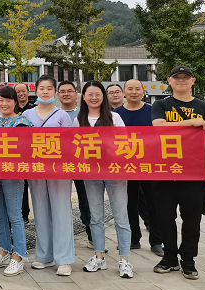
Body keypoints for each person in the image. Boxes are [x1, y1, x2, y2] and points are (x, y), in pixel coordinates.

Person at [152, 65, 205, 280]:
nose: (181, 80)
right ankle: (170, 257)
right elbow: (158, 126)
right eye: (177, 77)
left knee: (192, 219)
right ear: (169, 81)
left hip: (195, 173)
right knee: (165, 217)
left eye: (186, 77)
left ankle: (188, 260)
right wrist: (191, 122)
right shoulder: (160, 105)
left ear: (193, 81)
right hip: (164, 171)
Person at [73, 81, 133, 279]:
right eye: (89, 94)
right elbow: (73, 147)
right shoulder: (78, 120)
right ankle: (99, 257)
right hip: (91, 174)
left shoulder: (114, 117)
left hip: (115, 173)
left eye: (97, 94)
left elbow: (125, 144)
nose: (94, 98)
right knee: (96, 217)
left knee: (121, 217)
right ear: (83, 97)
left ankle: (124, 260)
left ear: (103, 96)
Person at [22, 75, 75, 276]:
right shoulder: (26, 114)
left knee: (61, 211)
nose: (45, 92)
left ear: (55, 92)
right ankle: (44, 255)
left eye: (49, 88)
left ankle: (64, 259)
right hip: (35, 168)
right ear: (35, 91)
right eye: (42, 88)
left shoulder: (62, 116)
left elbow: (69, 144)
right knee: (40, 210)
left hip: (59, 170)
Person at [0, 86, 34, 277]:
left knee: (15, 216)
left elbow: (25, 149)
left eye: (8, 100)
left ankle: (19, 255)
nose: (4, 104)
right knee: (0, 216)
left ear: (15, 102)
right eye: (1, 100)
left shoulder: (22, 122)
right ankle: (3, 250)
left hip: (13, 175)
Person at [114, 79, 163, 256]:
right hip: (125, 166)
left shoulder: (153, 111)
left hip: (150, 165)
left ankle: (156, 241)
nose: (134, 92)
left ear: (143, 92)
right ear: (123, 93)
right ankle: (133, 239)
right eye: (130, 89)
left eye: (137, 89)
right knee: (129, 204)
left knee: (153, 203)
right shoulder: (116, 114)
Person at [59, 80, 92, 246]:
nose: (66, 94)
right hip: (59, 166)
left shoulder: (84, 114)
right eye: (62, 91)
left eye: (69, 91)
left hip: (82, 164)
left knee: (86, 200)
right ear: (58, 95)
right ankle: (62, 238)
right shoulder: (54, 115)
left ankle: (92, 235)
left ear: (76, 93)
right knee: (61, 201)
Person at [14, 83, 35, 222]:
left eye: (23, 91)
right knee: (20, 185)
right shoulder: (12, 109)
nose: (21, 94)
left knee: (34, 185)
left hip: (32, 153)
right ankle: (23, 214)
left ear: (28, 92)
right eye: (18, 92)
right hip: (16, 154)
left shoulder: (34, 109)